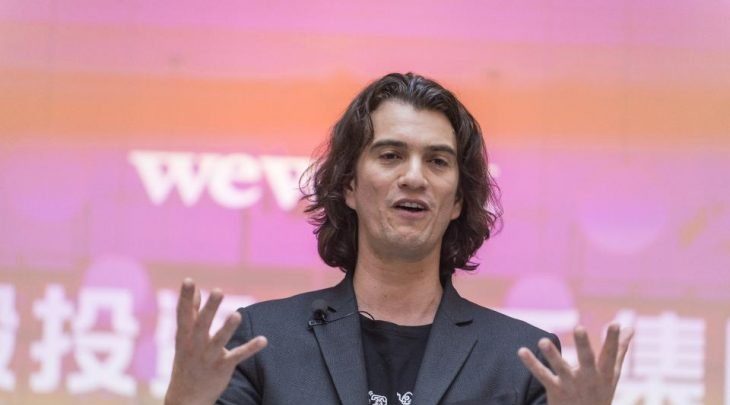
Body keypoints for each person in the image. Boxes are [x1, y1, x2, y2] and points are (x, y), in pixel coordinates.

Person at [165, 73, 633, 405]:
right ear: (349, 186)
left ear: (457, 200)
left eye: (437, 161)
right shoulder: (263, 341)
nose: (414, 177)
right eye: (390, 155)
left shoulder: (522, 360)